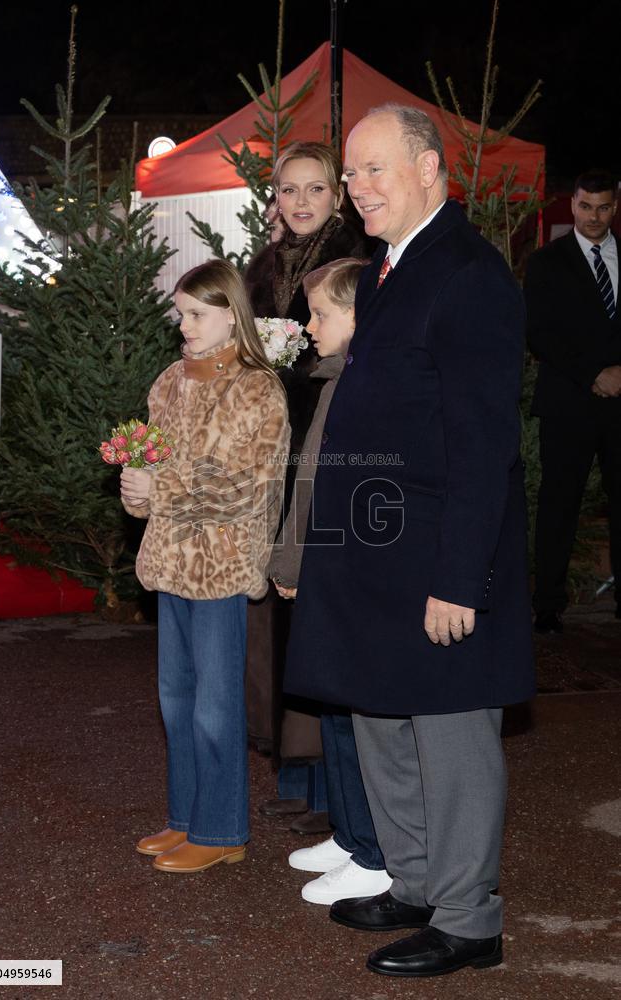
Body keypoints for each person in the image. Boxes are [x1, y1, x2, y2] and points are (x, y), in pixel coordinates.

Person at [284, 104, 535, 978]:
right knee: (383, 717)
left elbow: (482, 441)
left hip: (437, 562)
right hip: (378, 560)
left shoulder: (468, 275)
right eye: (350, 174)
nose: (356, 189)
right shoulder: (393, 267)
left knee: (452, 738)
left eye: (373, 170)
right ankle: (418, 882)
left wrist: (461, 578)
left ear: (429, 168)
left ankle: (470, 920)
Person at [120, 259, 289, 873]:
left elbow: (245, 482)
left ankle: (222, 832)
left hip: (219, 564)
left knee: (216, 704)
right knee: (175, 699)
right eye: (180, 314)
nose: (183, 324)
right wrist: (136, 490)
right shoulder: (169, 381)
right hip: (169, 559)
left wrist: (158, 490)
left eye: (196, 314)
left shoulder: (256, 387)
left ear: (231, 315)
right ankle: (186, 818)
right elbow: (152, 459)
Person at [244, 141, 375, 834]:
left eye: (315, 190)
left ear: (337, 196)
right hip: (270, 449)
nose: (300, 202)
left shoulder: (354, 259)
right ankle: (292, 764)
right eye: (289, 190)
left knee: (319, 603)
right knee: (276, 610)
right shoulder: (263, 266)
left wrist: (293, 363)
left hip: (327, 443)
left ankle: (334, 780)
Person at [269, 258, 391, 906]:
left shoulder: (358, 384)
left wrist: (293, 563)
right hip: (322, 571)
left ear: (358, 316)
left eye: (321, 314)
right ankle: (351, 835)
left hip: (344, 573)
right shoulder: (331, 378)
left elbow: (325, 489)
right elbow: (305, 486)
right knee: (335, 712)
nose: (308, 325)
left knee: (355, 715)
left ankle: (375, 849)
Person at [524, 169, 621, 632]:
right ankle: (548, 604)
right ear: (573, 204)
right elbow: (539, 332)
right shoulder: (547, 262)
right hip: (568, 400)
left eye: (603, 207)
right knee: (559, 503)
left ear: (615, 206)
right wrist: (593, 374)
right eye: (586, 206)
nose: (594, 216)